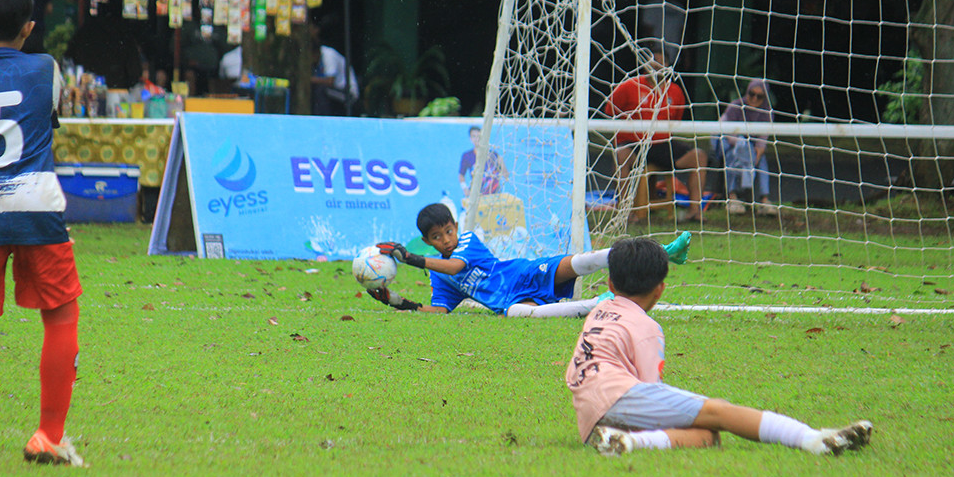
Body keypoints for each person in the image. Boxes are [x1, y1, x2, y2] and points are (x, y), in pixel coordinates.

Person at [566, 236, 873, 456]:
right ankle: (814, 440)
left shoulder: (599, 311)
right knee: (719, 411)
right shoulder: (647, 328)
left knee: (705, 437)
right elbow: (651, 387)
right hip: (618, 396)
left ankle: (626, 442)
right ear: (660, 289)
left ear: (609, 284)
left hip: (592, 409)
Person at [0, 0, 85, 466]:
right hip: (38, 202)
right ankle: (48, 435)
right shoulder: (47, 68)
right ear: (29, 27)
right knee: (60, 313)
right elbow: (50, 116)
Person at [367, 202, 692, 318]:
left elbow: (458, 266)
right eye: (437, 238)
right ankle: (600, 304)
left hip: (521, 274)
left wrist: (410, 259)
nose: (446, 240)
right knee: (520, 314)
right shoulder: (437, 276)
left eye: (448, 231)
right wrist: (398, 303)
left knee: (581, 260)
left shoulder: (467, 241)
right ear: (427, 241)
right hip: (508, 301)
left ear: (456, 226)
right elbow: (440, 311)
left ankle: (664, 253)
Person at [606, 51, 708, 223]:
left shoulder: (675, 91)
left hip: (662, 144)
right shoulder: (629, 85)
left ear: (668, 66)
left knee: (699, 156)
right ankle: (624, 212)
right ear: (645, 66)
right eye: (653, 61)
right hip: (634, 143)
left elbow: (675, 121)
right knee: (621, 155)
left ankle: (695, 211)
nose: (656, 65)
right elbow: (609, 111)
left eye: (661, 62)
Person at [718, 79, 778, 215]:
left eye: (760, 96)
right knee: (732, 156)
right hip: (732, 145)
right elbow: (725, 131)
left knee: (761, 160)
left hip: (752, 149)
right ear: (747, 92)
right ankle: (732, 197)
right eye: (752, 94)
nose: (755, 98)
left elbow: (762, 141)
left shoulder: (767, 112)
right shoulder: (735, 106)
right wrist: (742, 147)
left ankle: (764, 200)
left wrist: (753, 157)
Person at [458, 126, 508, 197]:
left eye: (479, 136)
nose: (477, 139)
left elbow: (506, 175)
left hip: (494, 195)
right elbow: (461, 175)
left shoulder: (493, 155)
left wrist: (502, 165)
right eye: (474, 136)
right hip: (477, 195)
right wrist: (465, 189)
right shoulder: (467, 156)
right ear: (470, 139)